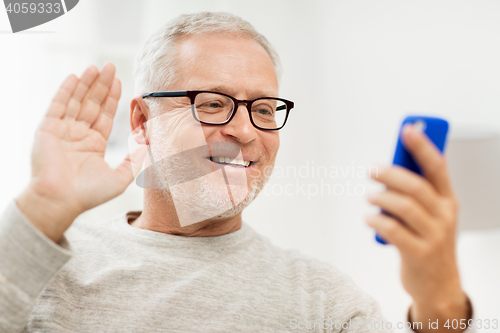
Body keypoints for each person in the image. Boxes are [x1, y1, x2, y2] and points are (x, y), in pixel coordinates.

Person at [0, 12, 475, 333]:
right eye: (212, 104)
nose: (246, 130)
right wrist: (41, 206)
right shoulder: (46, 267)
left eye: (265, 109)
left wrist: (443, 303)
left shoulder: (324, 303)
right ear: (144, 123)